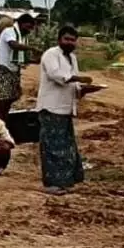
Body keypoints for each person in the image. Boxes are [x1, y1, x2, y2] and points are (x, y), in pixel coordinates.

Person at [37, 25, 92, 193]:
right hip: (51, 107)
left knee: (66, 147)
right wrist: (77, 78)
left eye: (73, 40)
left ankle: (66, 181)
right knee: (52, 147)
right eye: (67, 39)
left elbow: (74, 84)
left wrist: (84, 89)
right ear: (59, 39)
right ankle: (52, 184)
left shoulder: (72, 58)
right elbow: (57, 76)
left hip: (66, 108)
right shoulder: (50, 55)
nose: (70, 43)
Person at [0, 14, 37, 120]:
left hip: (13, 70)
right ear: (21, 24)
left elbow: (21, 57)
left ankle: (2, 124)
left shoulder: (20, 37)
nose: (29, 31)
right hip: (4, 69)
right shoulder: (9, 31)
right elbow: (13, 45)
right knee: (2, 101)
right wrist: (31, 48)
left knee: (10, 99)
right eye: (28, 27)